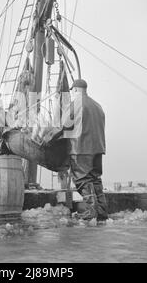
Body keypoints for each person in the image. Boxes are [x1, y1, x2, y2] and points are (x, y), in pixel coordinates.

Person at [62, 79, 108, 222]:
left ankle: (91, 211)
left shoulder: (75, 104)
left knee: (82, 180)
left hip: (80, 148)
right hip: (98, 148)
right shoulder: (98, 106)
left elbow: (64, 125)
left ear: (75, 90)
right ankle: (102, 211)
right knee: (95, 179)